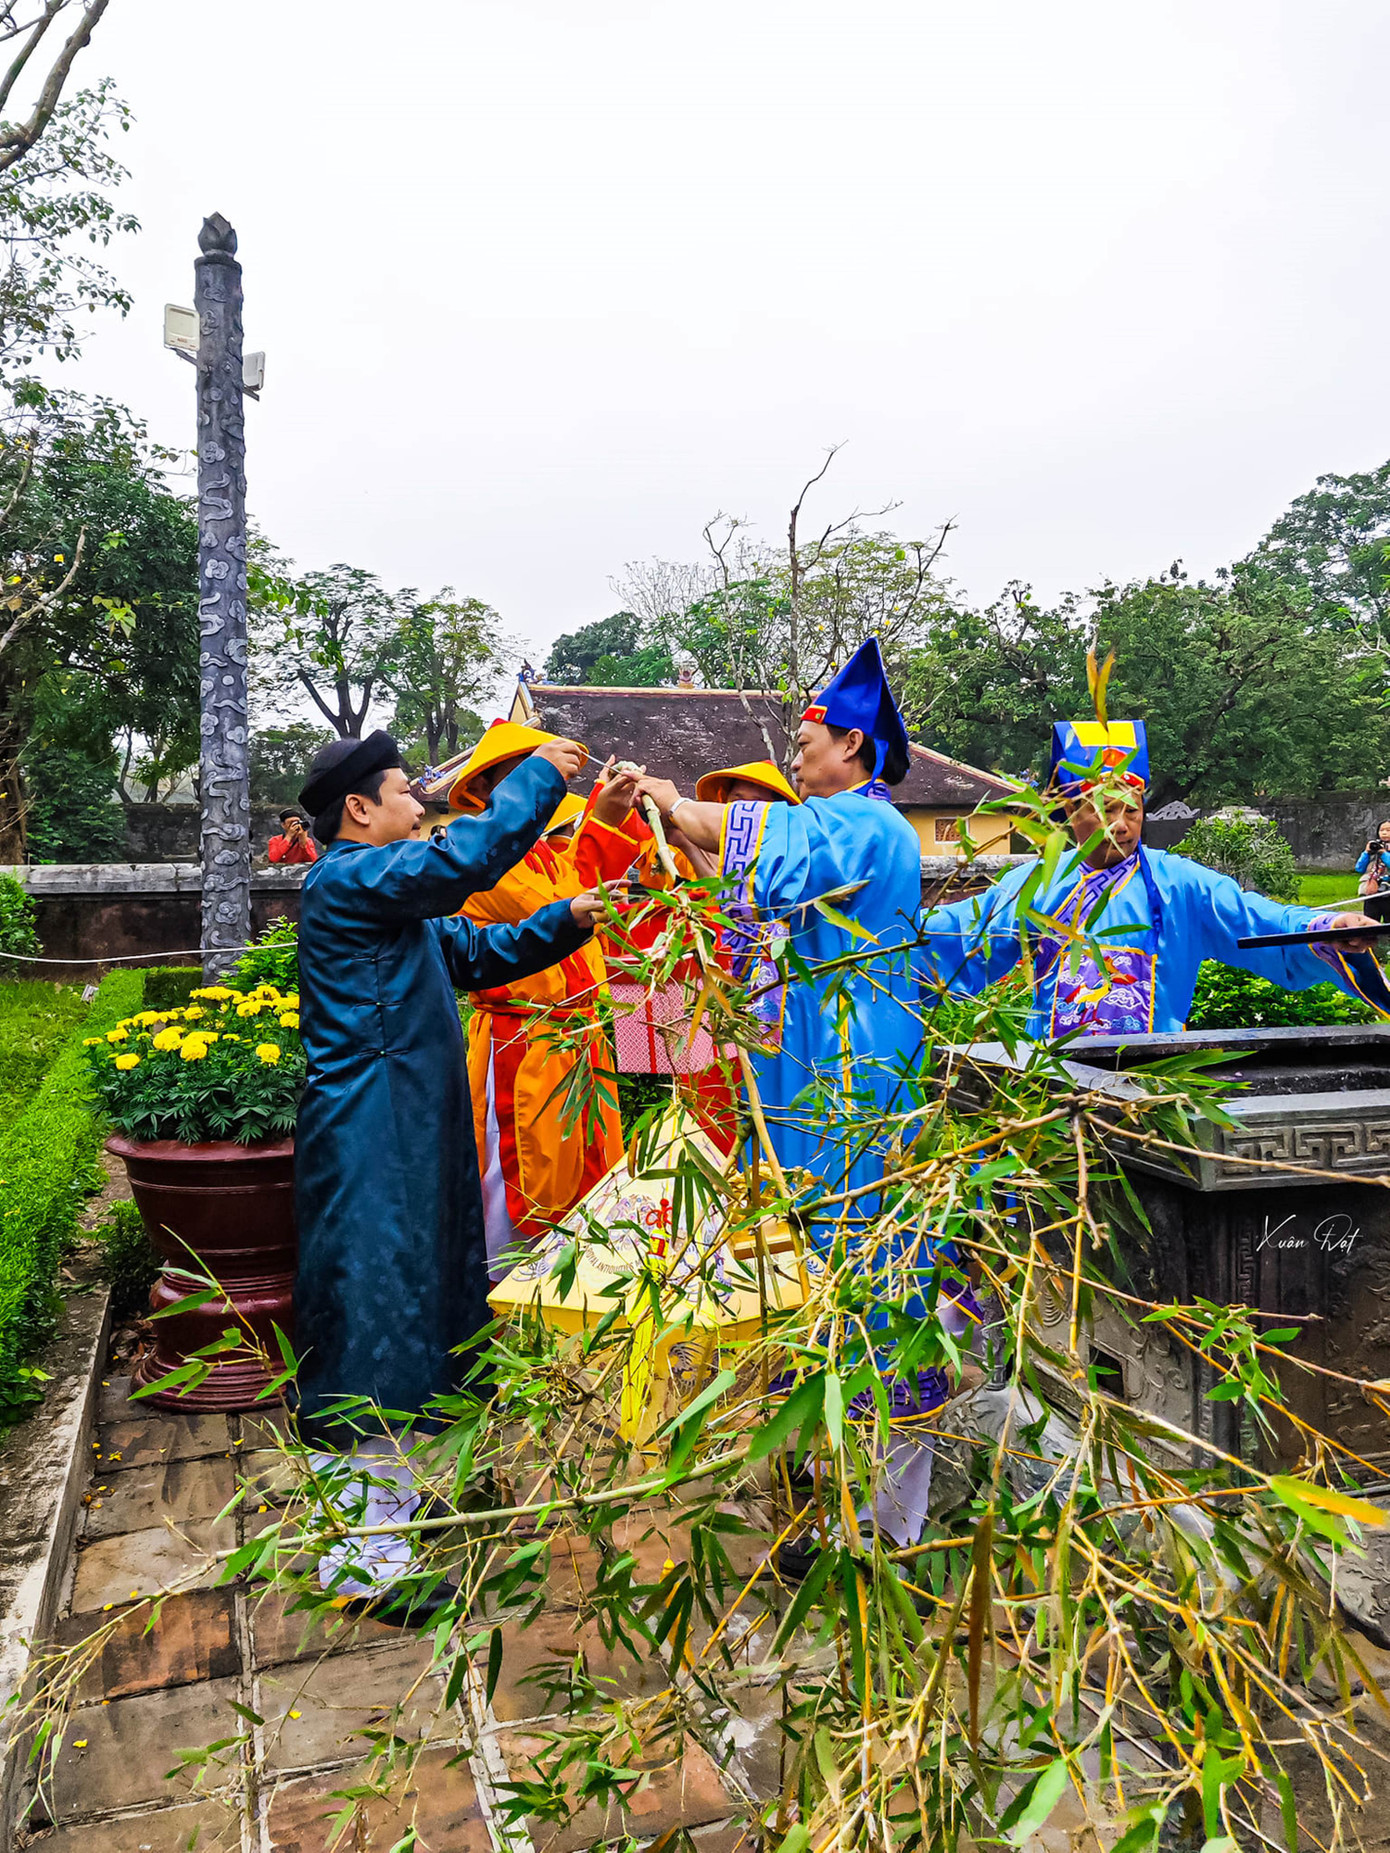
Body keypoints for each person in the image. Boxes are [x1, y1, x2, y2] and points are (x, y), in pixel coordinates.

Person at [637, 640, 970, 1550]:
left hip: (855, 1078)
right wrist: (678, 835)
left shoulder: (867, 825)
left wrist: (678, 802)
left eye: (806, 741)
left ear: (853, 744)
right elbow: (748, 897)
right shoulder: (836, 829)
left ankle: (882, 1521)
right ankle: (826, 1503)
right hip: (811, 1076)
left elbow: (773, 850)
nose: (795, 756)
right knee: (812, 1269)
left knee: (867, 1271)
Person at [292, 727, 601, 1612]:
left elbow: (476, 954)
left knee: (413, 1313)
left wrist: (571, 919)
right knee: (372, 1325)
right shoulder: (345, 880)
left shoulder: (390, 899)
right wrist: (538, 775)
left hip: (405, 1133)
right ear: (359, 809)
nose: (418, 802)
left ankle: (390, 1510)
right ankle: (361, 1562)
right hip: (370, 1137)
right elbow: (462, 860)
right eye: (404, 790)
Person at [919, 719, 1390, 1035]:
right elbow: (957, 938)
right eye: (1105, 809)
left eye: (1132, 810)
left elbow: (1259, 921)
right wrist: (889, 931)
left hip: (1154, 1080)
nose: (1121, 826)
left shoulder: (1180, 884)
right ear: (1069, 810)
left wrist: (1328, 928)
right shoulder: (1035, 883)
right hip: (1054, 1083)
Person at [442, 722, 650, 1275]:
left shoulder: (539, 855)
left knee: (592, 1166)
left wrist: (606, 820)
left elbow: (582, 891)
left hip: (587, 1031)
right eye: (527, 773)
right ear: (486, 788)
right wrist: (602, 823)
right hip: (525, 1038)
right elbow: (566, 905)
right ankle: (510, 1295)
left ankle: (580, 1286)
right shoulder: (475, 853)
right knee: (523, 1177)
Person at [1357, 821, 1390, 897]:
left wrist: (1383, 853)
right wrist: (1366, 853)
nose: (1384, 833)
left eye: (1388, 830)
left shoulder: (1383, 852)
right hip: (1373, 884)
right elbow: (1359, 868)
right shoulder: (1375, 846)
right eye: (1381, 830)